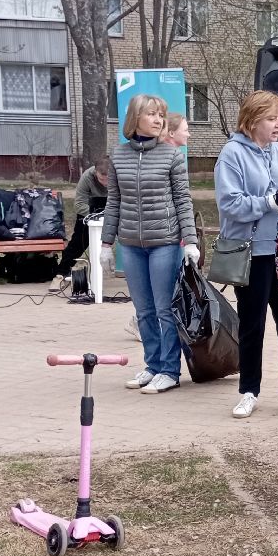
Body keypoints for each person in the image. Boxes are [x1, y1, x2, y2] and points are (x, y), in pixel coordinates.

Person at [215, 90, 278, 418]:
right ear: (251, 121)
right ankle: (249, 391)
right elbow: (230, 204)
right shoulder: (232, 154)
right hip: (250, 253)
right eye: (271, 118)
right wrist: (270, 202)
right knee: (252, 325)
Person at [100, 94, 199, 395]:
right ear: (135, 118)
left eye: (161, 115)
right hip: (130, 244)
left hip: (164, 243)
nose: (158, 120)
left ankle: (170, 370)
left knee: (164, 309)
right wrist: (106, 243)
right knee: (143, 311)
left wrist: (190, 241)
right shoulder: (119, 155)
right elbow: (114, 201)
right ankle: (153, 365)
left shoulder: (171, 156)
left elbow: (183, 200)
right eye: (152, 114)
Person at [50, 155, 109, 290]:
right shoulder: (87, 177)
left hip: (115, 209)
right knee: (78, 242)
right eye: (102, 179)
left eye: (108, 180)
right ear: (95, 172)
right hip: (90, 210)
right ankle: (61, 274)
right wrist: (97, 215)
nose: (105, 183)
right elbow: (79, 204)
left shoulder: (120, 175)